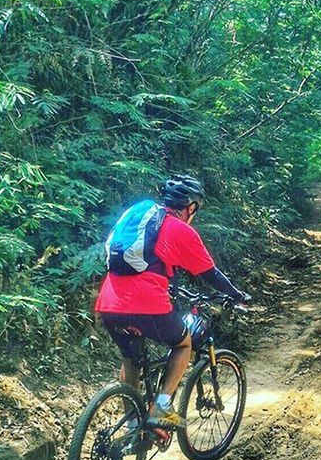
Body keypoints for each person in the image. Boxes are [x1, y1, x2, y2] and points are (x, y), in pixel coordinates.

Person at [95, 174, 249, 429]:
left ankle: (133, 424)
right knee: (182, 344)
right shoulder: (180, 229)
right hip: (145, 304)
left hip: (109, 303)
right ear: (191, 207)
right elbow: (210, 274)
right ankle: (161, 410)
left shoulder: (140, 220)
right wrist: (236, 294)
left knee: (131, 359)